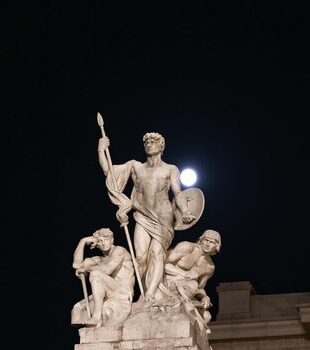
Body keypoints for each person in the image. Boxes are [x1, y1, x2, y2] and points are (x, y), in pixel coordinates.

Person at [98, 132, 195, 301]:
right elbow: (109, 172)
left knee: (157, 254)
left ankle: (150, 294)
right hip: (142, 214)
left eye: (154, 142)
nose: (149, 144)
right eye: (147, 142)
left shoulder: (170, 169)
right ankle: (143, 292)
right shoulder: (136, 167)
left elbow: (178, 193)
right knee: (140, 257)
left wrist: (185, 211)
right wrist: (101, 150)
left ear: (161, 146)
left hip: (163, 217)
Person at [71, 228, 135, 327]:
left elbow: (107, 269)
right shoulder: (99, 259)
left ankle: (96, 317)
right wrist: (82, 241)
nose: (104, 243)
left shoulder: (119, 250)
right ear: (96, 243)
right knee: (78, 308)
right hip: (109, 293)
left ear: (112, 240)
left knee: (95, 274)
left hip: (123, 292)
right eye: (100, 241)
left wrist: (86, 269)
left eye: (106, 239)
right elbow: (76, 265)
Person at [161, 229, 222, 326]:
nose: (207, 244)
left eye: (212, 242)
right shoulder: (186, 247)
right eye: (206, 240)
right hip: (167, 282)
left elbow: (200, 288)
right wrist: (183, 273)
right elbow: (162, 264)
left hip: (188, 291)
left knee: (206, 317)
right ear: (201, 240)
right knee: (192, 284)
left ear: (216, 246)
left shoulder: (209, 267)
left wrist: (204, 297)